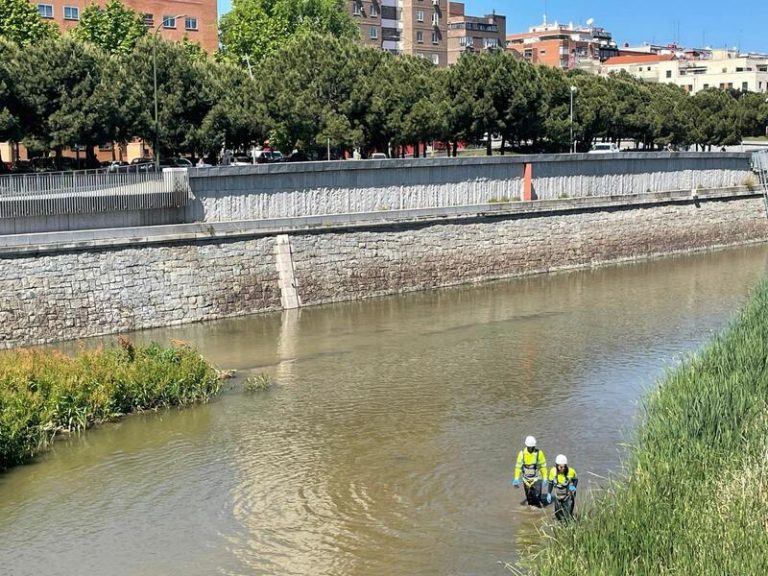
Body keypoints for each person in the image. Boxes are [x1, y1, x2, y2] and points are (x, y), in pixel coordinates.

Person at [512, 436, 547, 506]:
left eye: (532, 447)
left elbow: (543, 467)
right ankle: (531, 509)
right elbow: (518, 467)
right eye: (529, 447)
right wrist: (516, 478)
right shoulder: (522, 454)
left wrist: (545, 478)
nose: (530, 448)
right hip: (526, 480)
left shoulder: (539, 453)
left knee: (537, 497)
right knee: (529, 499)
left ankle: (538, 511)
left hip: (537, 478)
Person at [545, 454, 578, 522]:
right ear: (557, 465)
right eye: (560, 467)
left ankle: (568, 526)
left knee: (567, 515)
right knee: (558, 514)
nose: (562, 469)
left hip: (568, 497)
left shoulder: (571, 471)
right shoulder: (553, 472)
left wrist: (574, 486)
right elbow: (551, 483)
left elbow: (576, 480)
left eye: (564, 467)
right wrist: (549, 493)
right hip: (558, 497)